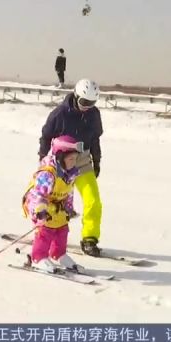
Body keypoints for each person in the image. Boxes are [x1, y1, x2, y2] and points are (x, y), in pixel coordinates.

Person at [38, 78, 103, 257]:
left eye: (92, 103)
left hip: (81, 161)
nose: (87, 107)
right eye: (84, 102)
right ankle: (45, 233)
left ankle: (89, 239)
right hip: (60, 162)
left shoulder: (93, 115)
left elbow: (95, 139)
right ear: (76, 96)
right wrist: (43, 162)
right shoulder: (59, 114)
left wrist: (96, 161)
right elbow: (45, 137)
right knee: (54, 203)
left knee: (93, 201)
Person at [23, 135, 84, 273]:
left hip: (55, 204)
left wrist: (68, 208)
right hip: (38, 204)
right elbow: (39, 194)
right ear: (60, 157)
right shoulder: (48, 173)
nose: (73, 162)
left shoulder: (70, 173)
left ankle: (58, 253)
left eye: (75, 159)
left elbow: (69, 192)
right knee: (46, 230)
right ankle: (38, 257)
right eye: (70, 159)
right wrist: (40, 210)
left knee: (62, 228)